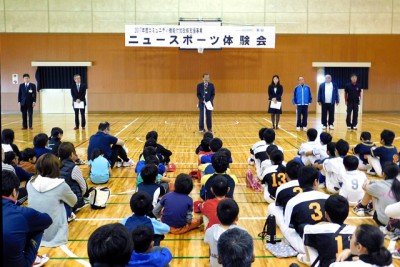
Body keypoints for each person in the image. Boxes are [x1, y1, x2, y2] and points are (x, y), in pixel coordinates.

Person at [2, 170, 53, 267]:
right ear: (14, 192)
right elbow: (47, 220)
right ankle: (32, 258)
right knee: (38, 226)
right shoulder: (23, 213)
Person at [26, 153, 77, 247]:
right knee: (64, 202)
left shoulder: (30, 182)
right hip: (53, 234)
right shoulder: (60, 185)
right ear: (56, 168)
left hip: (34, 231)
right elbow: (73, 201)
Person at [283, 166, 330, 253]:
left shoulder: (292, 201)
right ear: (315, 182)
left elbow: (289, 225)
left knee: (286, 230)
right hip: (329, 241)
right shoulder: (328, 198)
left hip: (305, 244)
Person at [300, 195, 356, 267]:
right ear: (347, 213)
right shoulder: (357, 231)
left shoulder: (311, 230)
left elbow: (302, 228)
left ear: (326, 214)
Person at [204, 199, 244, 267]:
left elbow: (206, 241)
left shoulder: (210, 231)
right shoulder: (243, 232)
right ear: (237, 218)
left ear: (216, 215)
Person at [267, 160, 303, 230]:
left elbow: (278, 205)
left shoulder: (282, 188)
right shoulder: (306, 185)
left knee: (271, 206)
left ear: (286, 175)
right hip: (306, 219)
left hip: (291, 225)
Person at [58, 142, 88, 218]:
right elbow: (83, 187)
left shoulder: (55, 165)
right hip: (74, 201)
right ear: (71, 154)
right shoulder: (74, 168)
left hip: (59, 200)